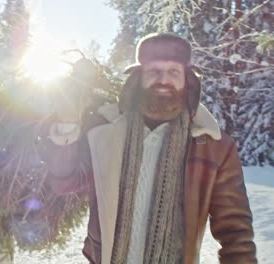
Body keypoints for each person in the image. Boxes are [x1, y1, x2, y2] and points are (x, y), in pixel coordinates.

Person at [43, 33, 257, 263]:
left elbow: (235, 230)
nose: (163, 79)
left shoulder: (213, 146)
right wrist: (67, 124)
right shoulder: (105, 129)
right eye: (153, 71)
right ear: (138, 77)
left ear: (188, 80)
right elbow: (65, 183)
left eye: (173, 72)